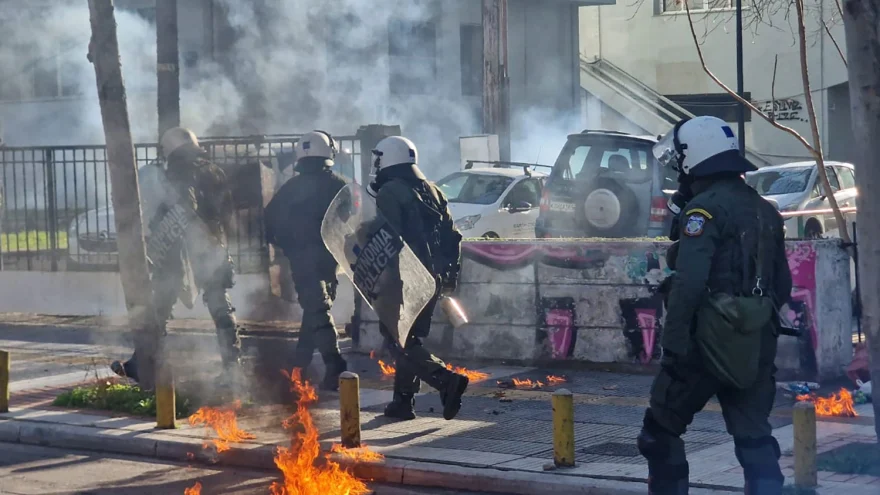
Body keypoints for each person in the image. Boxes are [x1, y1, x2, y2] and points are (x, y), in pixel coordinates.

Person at [638, 116, 792, 495]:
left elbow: (689, 284)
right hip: (755, 347)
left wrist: (675, 347)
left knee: (659, 433)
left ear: (693, 159)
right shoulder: (766, 210)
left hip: (702, 346)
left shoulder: (702, 211)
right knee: (755, 439)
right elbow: (783, 285)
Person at [112, 127, 242, 387]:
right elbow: (227, 211)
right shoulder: (213, 170)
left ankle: (144, 363)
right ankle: (232, 369)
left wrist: (159, 222)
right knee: (220, 305)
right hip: (212, 245)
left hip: (179, 249)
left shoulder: (175, 172)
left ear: (170, 148)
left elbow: (176, 209)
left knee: (160, 305)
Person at [370, 135, 469, 421]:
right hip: (432, 279)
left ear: (387, 159)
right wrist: (449, 276)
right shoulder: (433, 190)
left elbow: (388, 238)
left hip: (404, 280)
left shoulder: (390, 192)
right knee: (410, 338)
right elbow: (453, 237)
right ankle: (403, 402)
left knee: (398, 340)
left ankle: (445, 380)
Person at [264, 130, 348, 391]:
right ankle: (299, 363)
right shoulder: (339, 185)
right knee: (316, 308)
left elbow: (269, 221)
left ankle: (334, 363)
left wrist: (287, 245)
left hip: (302, 260)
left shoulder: (290, 188)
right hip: (329, 259)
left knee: (316, 309)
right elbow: (349, 219)